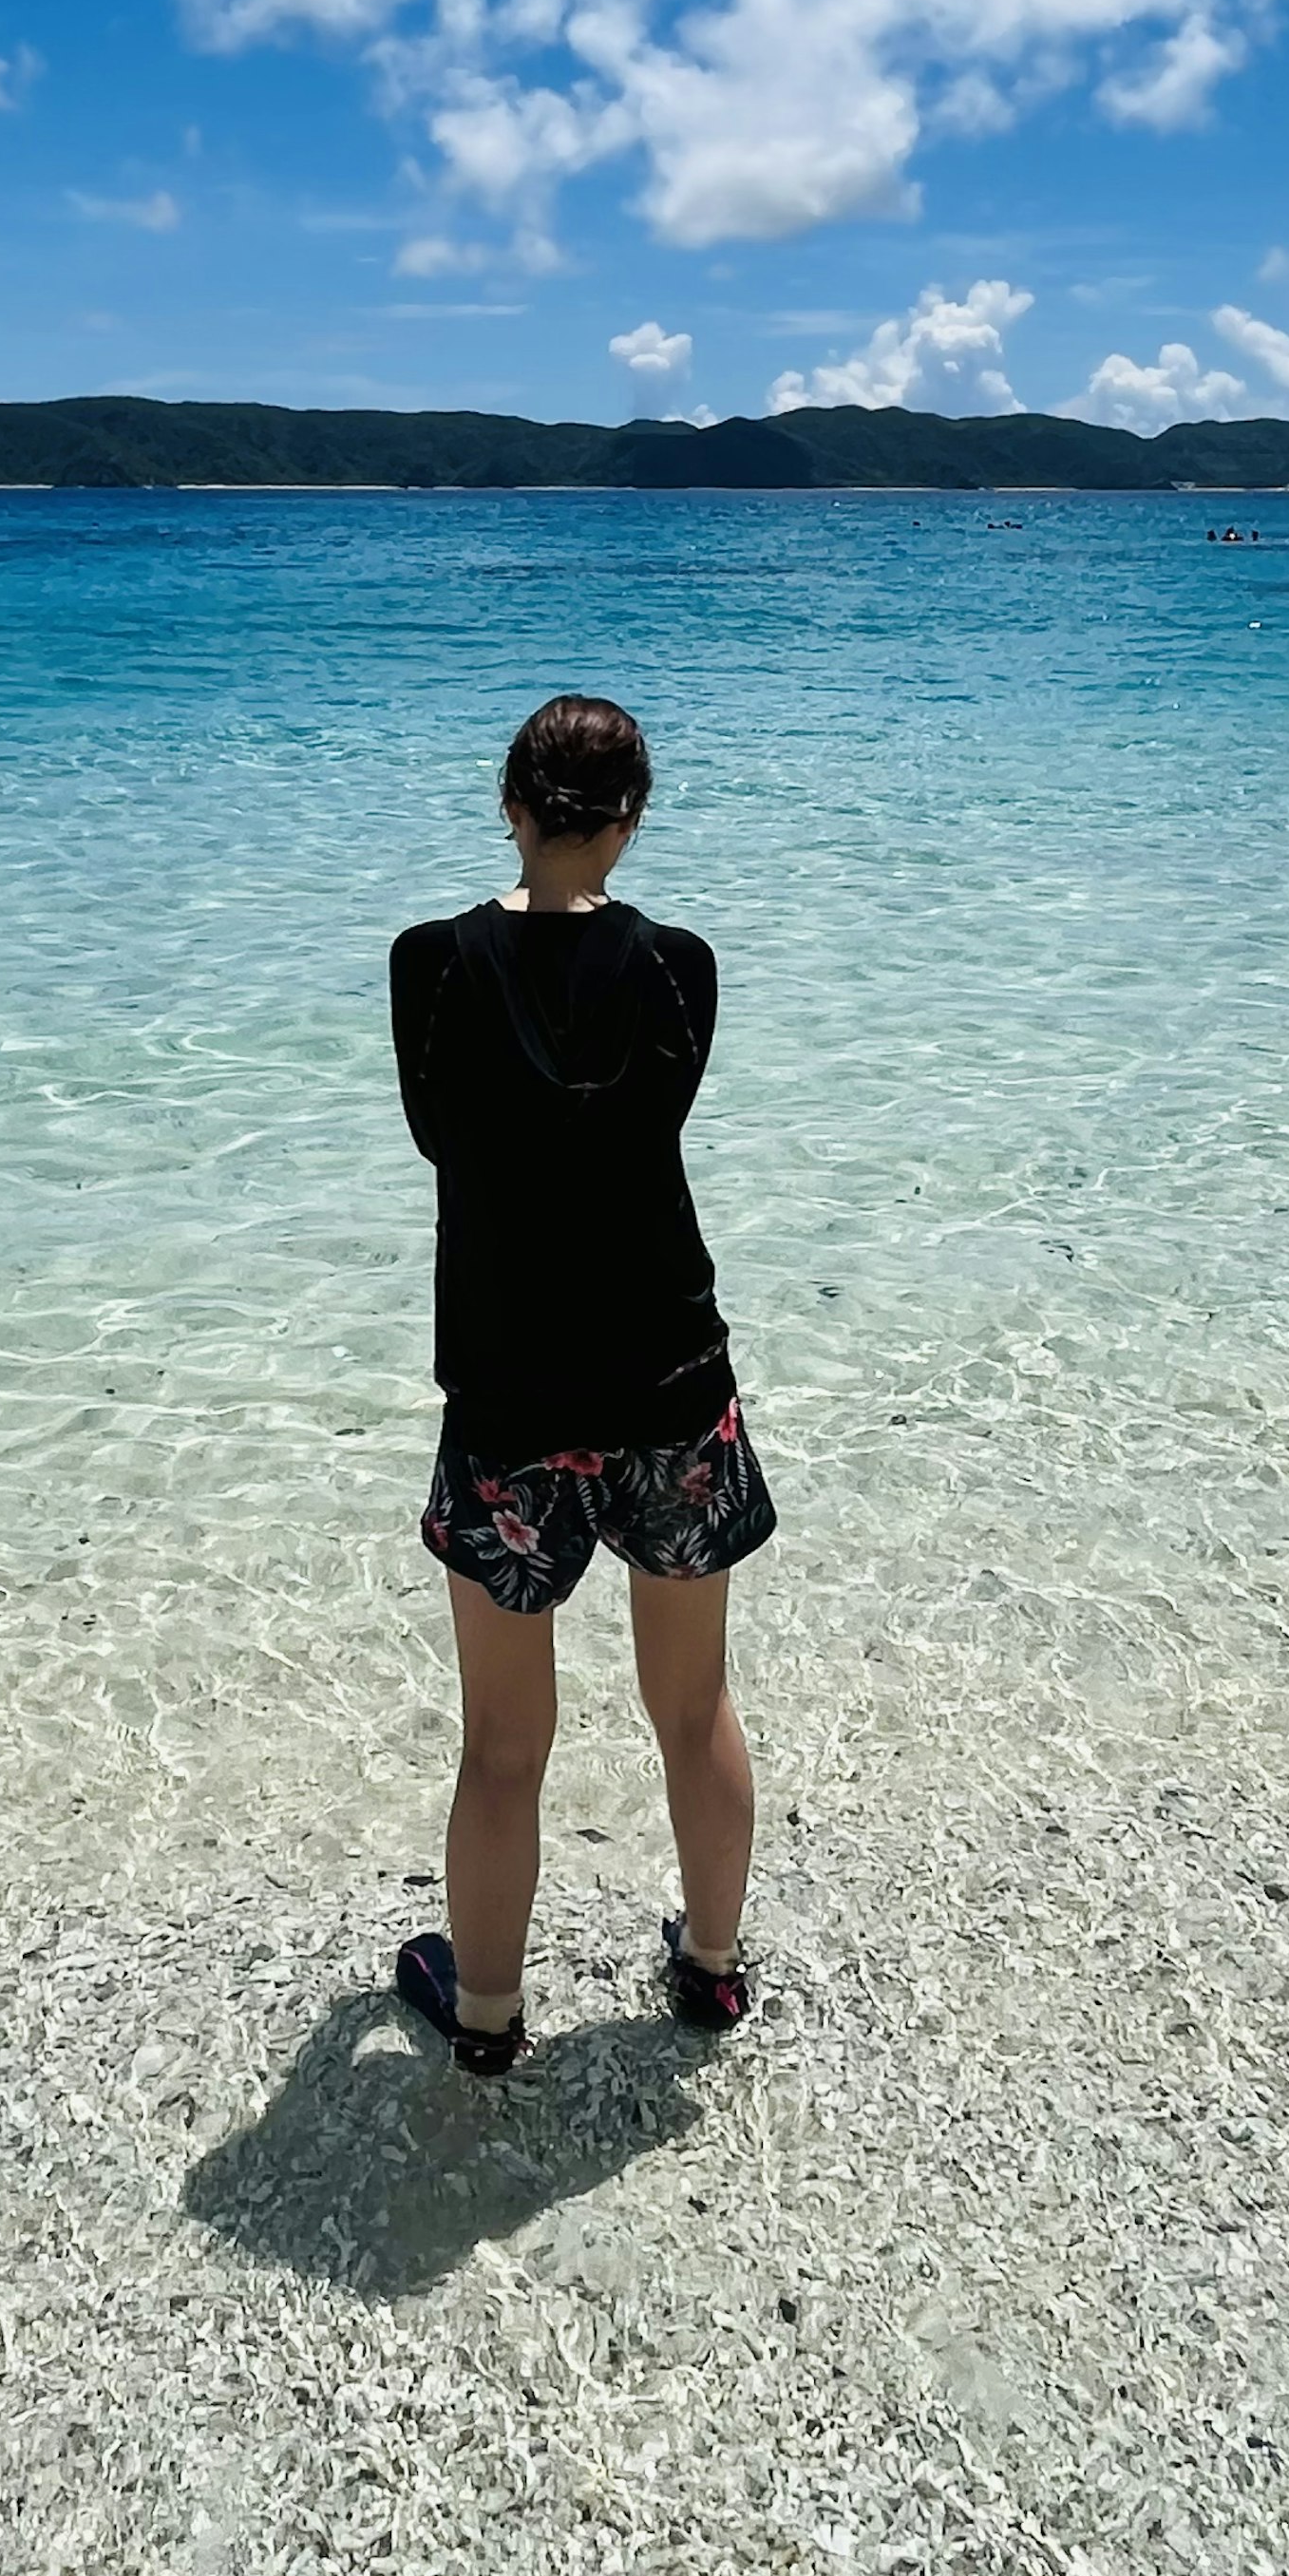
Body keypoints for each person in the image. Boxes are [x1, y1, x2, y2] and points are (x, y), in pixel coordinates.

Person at [386, 692, 771, 2080]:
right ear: (633, 815)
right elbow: (653, 1120)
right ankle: (712, 1972)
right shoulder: (680, 966)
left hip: (511, 1401)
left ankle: (486, 2016)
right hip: (667, 1381)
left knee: (502, 1746)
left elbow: (441, 1133)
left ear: (507, 801)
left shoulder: (432, 963)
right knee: (692, 1707)